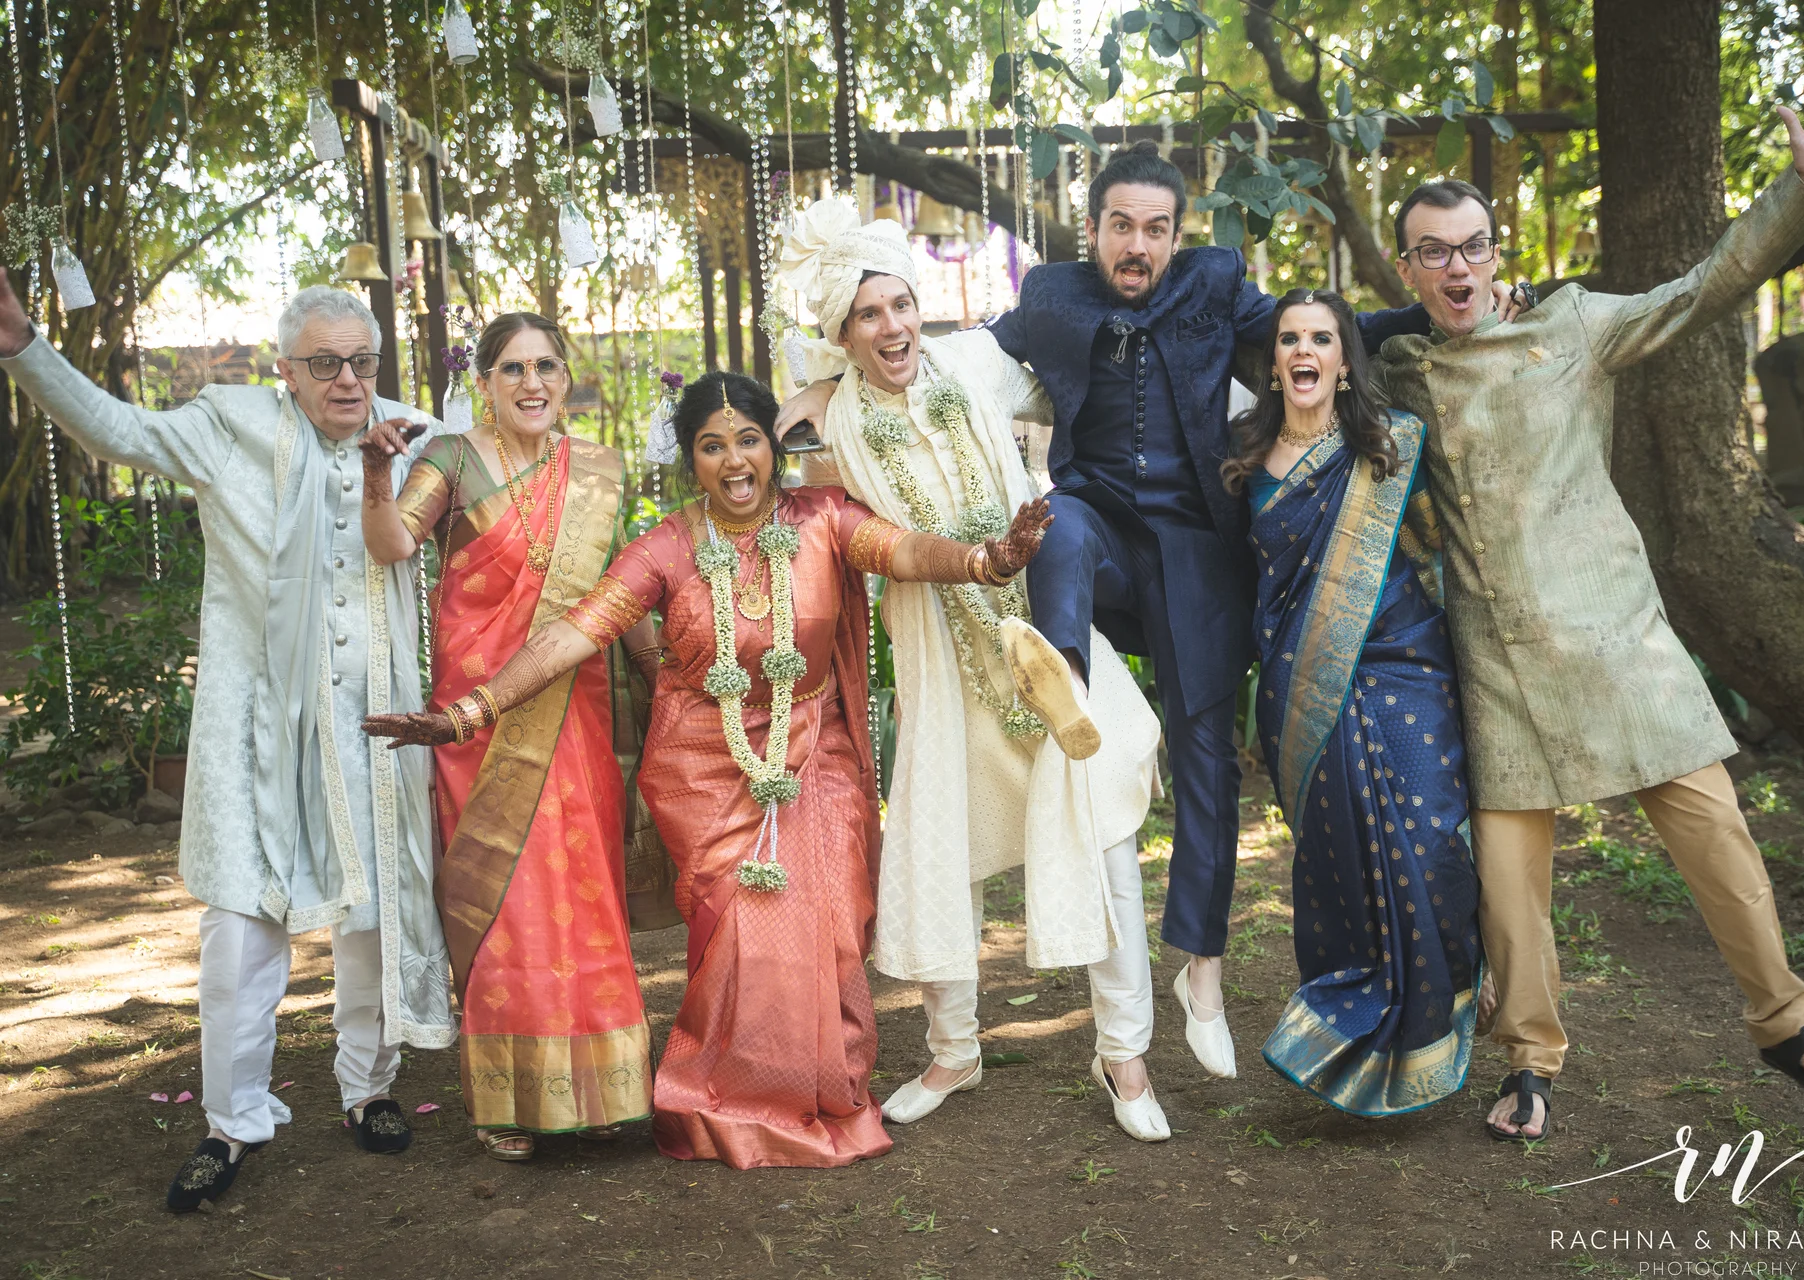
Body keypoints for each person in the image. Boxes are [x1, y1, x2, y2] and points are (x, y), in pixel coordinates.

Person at [1370, 72, 1804, 1141]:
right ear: (1408, 266)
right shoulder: (1402, 368)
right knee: (1510, 889)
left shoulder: (1577, 330)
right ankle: (1529, 1060)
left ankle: (1786, 1020)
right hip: (1501, 657)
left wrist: (1802, 193)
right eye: (1434, 250)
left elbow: (1707, 284)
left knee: (1721, 841)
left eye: (1473, 246)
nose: (1457, 266)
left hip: (1620, 643)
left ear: (1496, 251)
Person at [367, 371, 1055, 1169]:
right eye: (711, 446)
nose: (734, 462)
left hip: (814, 752)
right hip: (703, 765)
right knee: (743, 938)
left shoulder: (823, 518)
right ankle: (729, 1098)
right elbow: (577, 633)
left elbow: (902, 551)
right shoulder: (666, 545)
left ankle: (821, 1086)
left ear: (775, 445)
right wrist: (467, 713)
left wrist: (989, 559)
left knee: (827, 925)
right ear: (689, 460)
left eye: (748, 440)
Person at [951, 142, 1529, 1076]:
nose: (1138, 245)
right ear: (1091, 227)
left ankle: (1203, 974)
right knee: (1053, 519)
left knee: (1208, 754)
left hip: (1192, 541)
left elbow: (1326, 324)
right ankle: (1060, 675)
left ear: (1177, 237)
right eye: (1121, 227)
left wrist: (1439, 307)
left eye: (1156, 229)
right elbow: (956, 359)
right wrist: (821, 385)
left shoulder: (1215, 281)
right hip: (1098, 518)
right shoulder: (1050, 296)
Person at [0, 277, 452, 1209]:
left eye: (361, 361)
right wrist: (23, 347)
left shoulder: (416, 437)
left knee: (374, 911)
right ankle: (232, 1121)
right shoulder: (228, 424)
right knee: (240, 928)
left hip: (374, 719)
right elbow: (117, 430)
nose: (346, 380)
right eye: (323, 363)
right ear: (285, 369)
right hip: (252, 727)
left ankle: (369, 1089)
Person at [772, 198, 1168, 1141]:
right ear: (842, 334)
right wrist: (808, 397)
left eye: (901, 305)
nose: (893, 327)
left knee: (1102, 817)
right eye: (868, 315)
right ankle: (954, 1050)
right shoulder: (831, 418)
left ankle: (1126, 1054)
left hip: (1047, 631)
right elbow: (764, 434)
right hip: (942, 658)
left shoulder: (976, 363)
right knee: (938, 852)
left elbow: (1082, 382)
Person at [358, 312, 655, 1160]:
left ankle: (606, 1089)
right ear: (483, 383)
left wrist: (669, 670)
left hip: (575, 708)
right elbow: (389, 546)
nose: (533, 384)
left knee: (583, 890)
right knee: (505, 898)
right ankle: (512, 1098)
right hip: (477, 718)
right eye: (514, 369)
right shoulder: (449, 459)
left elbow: (617, 584)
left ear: (566, 379)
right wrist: (377, 474)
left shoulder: (594, 469)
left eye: (547, 367)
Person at [1222, 287, 1480, 1115]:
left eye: (1322, 339)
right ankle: (1352, 1026)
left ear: (1343, 360)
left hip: (1408, 671)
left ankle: (1439, 1020)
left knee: (1432, 845)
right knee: (1339, 862)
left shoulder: (1391, 448)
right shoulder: (1239, 461)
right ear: (1273, 362)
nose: (1304, 352)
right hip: (1306, 689)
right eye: (1289, 339)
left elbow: (1439, 557)